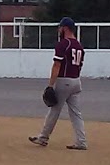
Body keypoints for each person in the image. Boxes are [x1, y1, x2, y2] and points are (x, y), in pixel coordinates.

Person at [29, 17, 87, 149]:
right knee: (76, 113)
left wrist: (50, 84)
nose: (59, 30)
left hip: (64, 80)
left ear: (65, 28)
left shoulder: (63, 44)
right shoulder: (79, 45)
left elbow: (57, 65)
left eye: (60, 27)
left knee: (54, 110)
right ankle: (81, 141)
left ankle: (43, 138)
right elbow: (80, 65)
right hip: (76, 81)